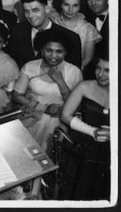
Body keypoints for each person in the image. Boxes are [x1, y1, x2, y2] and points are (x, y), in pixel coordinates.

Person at [13, 28, 83, 150]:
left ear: (66, 52)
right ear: (41, 50)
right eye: (49, 50)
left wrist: (60, 81)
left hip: (59, 125)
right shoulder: (29, 67)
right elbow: (17, 96)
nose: (53, 56)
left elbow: (76, 106)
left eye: (59, 51)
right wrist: (44, 108)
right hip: (31, 119)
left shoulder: (74, 72)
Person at [58, 50, 110, 200]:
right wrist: (92, 131)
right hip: (84, 147)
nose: (100, 74)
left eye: (107, 70)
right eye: (98, 68)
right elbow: (65, 116)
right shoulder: (85, 86)